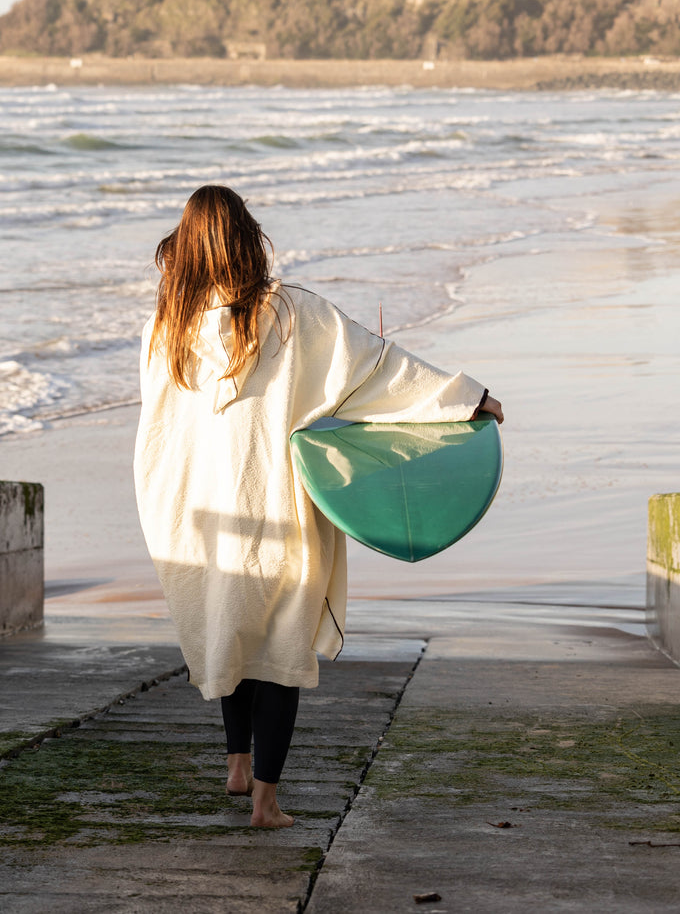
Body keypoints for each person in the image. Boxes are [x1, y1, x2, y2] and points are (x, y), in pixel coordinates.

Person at [133, 185, 503, 828]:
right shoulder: (293, 316)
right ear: (250, 239)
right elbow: (379, 369)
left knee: (230, 623)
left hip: (196, 506)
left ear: (184, 247)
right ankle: (266, 804)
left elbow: (159, 426)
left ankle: (236, 766)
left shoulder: (165, 329)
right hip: (275, 503)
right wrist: (469, 399)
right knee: (278, 645)